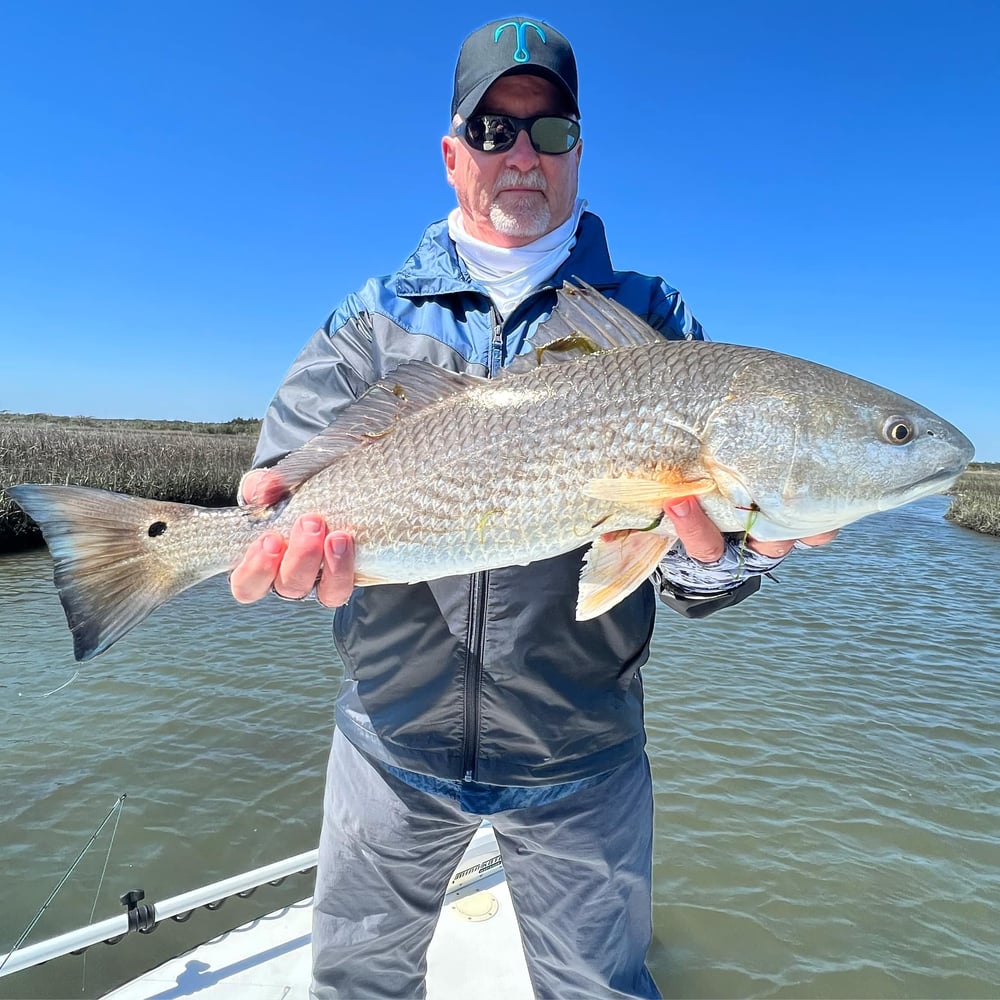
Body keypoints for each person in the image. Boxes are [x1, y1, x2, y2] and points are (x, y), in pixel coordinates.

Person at [230, 17, 836, 999]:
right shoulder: (371, 317)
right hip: (390, 740)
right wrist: (272, 532)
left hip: (582, 756)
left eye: (548, 131)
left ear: (578, 149)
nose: (521, 155)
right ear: (450, 153)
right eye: (492, 130)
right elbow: (282, 479)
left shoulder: (652, 319)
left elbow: (690, 577)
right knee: (353, 986)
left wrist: (732, 555)